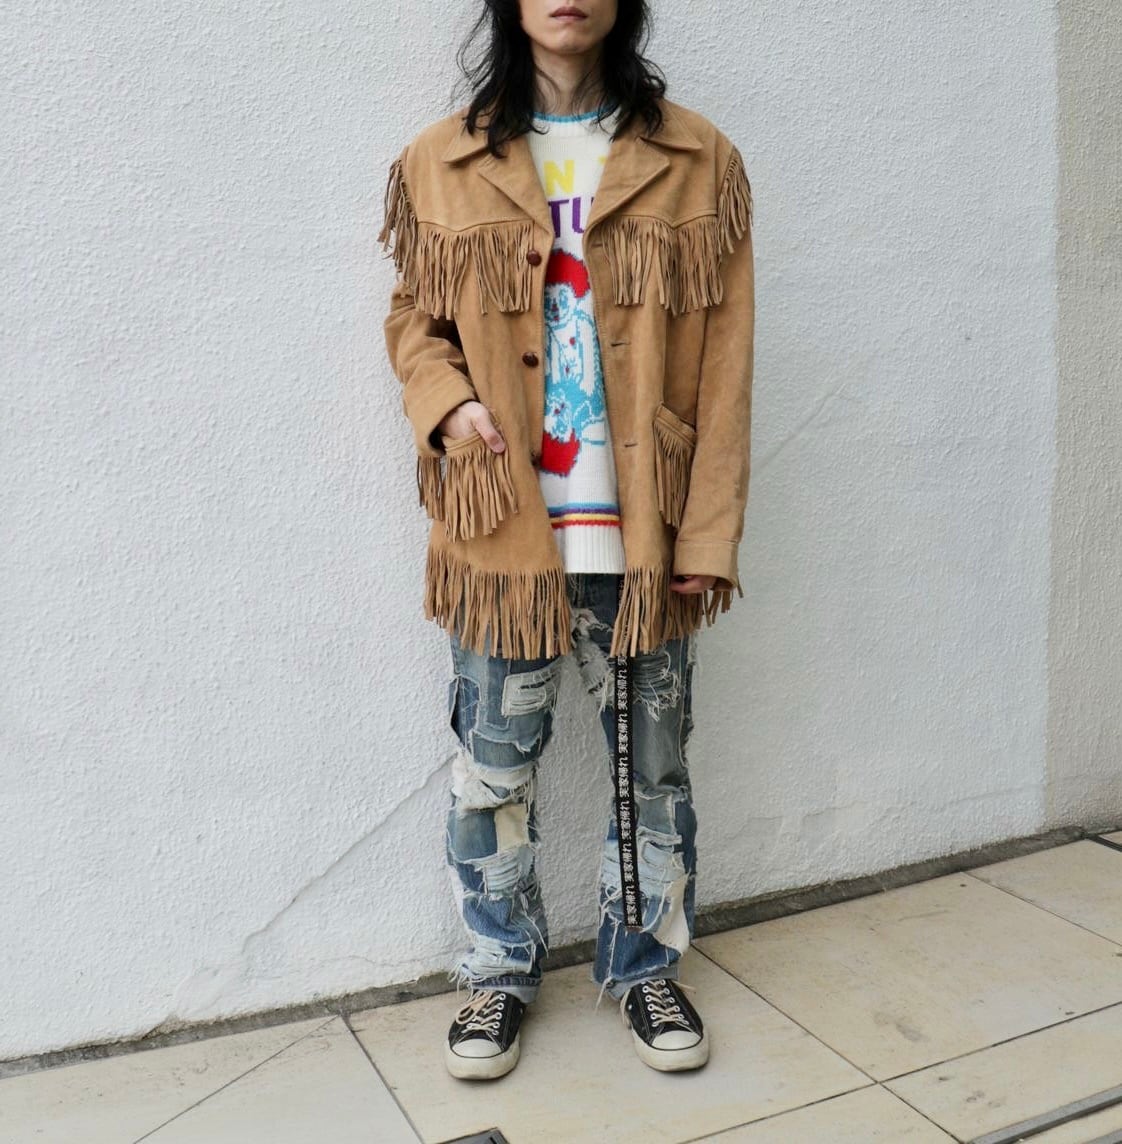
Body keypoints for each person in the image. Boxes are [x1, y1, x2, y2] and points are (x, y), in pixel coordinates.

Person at [379, 0, 754, 1080]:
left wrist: (709, 531)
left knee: (653, 775)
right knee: (491, 773)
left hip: (645, 536)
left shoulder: (697, 159)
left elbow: (727, 360)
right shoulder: (441, 161)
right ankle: (498, 972)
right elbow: (413, 321)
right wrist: (448, 403)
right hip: (503, 535)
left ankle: (644, 967)